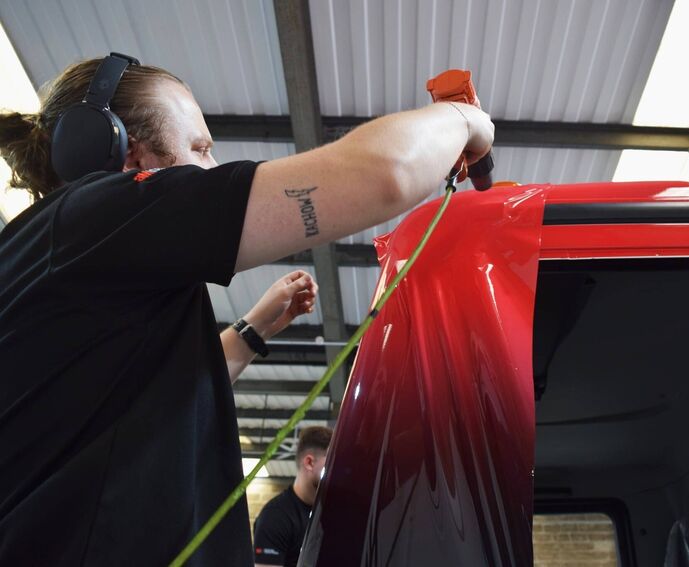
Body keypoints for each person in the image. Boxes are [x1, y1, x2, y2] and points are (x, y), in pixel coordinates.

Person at [0, 55, 493, 566]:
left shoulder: (65, 254)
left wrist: (252, 330)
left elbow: (149, 396)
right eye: (200, 148)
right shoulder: (95, 215)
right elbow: (385, 174)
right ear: (128, 157)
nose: (212, 168)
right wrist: (466, 121)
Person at [253, 425, 333, 567]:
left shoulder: (333, 514)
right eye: (331, 463)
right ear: (309, 462)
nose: (336, 471)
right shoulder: (275, 517)